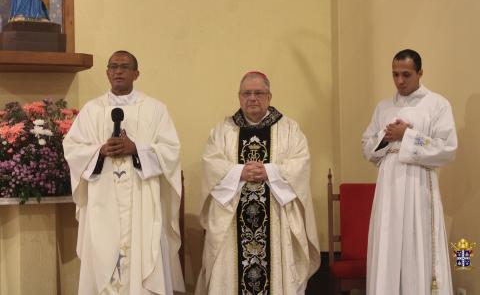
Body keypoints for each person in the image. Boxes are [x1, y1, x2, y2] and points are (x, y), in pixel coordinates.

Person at [63, 51, 184, 295]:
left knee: (142, 253)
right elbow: (73, 148)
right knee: (101, 254)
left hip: (142, 199)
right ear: (107, 72)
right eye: (114, 66)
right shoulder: (92, 110)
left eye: (125, 67)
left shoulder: (154, 109)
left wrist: (136, 149)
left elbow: (171, 150)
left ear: (136, 74)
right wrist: (100, 151)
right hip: (102, 199)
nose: (119, 71)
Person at [195, 71, 320, 295]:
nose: (253, 98)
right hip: (232, 218)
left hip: (276, 217)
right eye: (247, 93)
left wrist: (270, 171)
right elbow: (210, 164)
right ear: (239, 97)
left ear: (269, 97)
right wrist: (239, 172)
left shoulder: (289, 129)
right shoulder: (223, 130)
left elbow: (300, 164)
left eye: (259, 93)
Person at [362, 49, 457, 295]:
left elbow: (447, 148)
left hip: (418, 184)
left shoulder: (437, 104)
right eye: (395, 75)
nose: (400, 81)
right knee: (388, 242)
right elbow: (367, 147)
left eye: (406, 74)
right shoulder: (383, 106)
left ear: (420, 73)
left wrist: (408, 136)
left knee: (417, 242)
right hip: (388, 187)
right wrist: (386, 136)